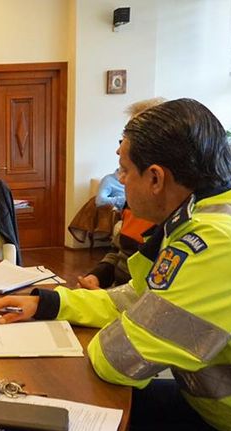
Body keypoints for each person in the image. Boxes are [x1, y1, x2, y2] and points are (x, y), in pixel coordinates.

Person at [0, 98, 231, 431]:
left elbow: (121, 358)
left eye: (123, 169)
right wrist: (48, 303)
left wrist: (93, 332)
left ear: (155, 178)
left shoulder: (219, 243)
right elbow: (138, 298)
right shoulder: (216, 210)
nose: (119, 180)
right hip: (220, 409)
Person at [78, 98, 164, 289]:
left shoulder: (177, 223)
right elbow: (118, 252)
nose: (119, 149)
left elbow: (149, 296)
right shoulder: (134, 202)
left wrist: (107, 298)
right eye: (123, 137)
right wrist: (97, 276)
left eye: (130, 138)